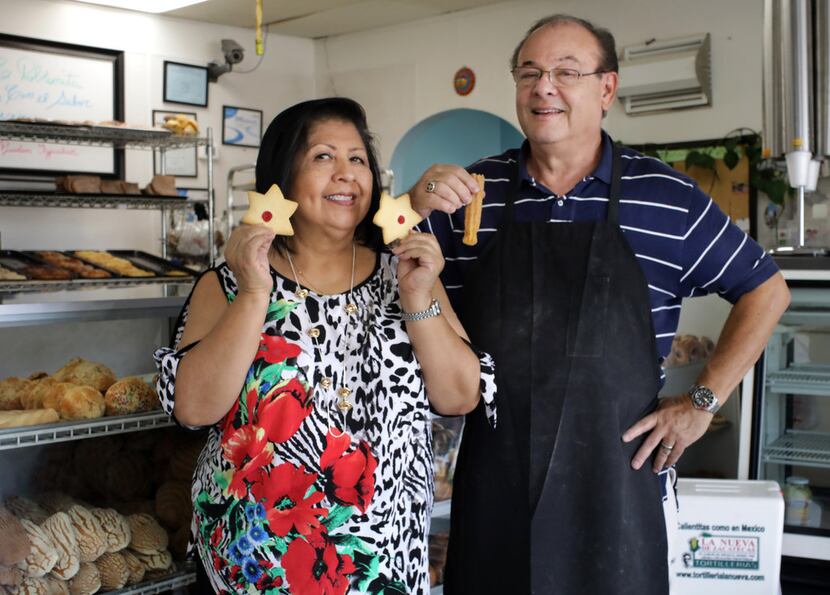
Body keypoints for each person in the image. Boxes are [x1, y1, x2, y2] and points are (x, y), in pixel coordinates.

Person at [411, 14, 791, 595]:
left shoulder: (666, 197)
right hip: (496, 482)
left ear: (606, 88)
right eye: (529, 73)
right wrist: (410, 207)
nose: (544, 87)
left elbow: (767, 289)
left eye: (567, 72)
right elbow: (390, 280)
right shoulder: (469, 196)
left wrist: (701, 400)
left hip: (620, 486)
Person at [153, 97, 495, 594]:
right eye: (322, 157)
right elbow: (194, 408)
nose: (346, 174)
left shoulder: (405, 272)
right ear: (283, 178)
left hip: (383, 563)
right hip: (254, 566)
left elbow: (460, 396)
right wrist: (254, 293)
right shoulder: (228, 283)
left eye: (357, 159)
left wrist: (419, 297)